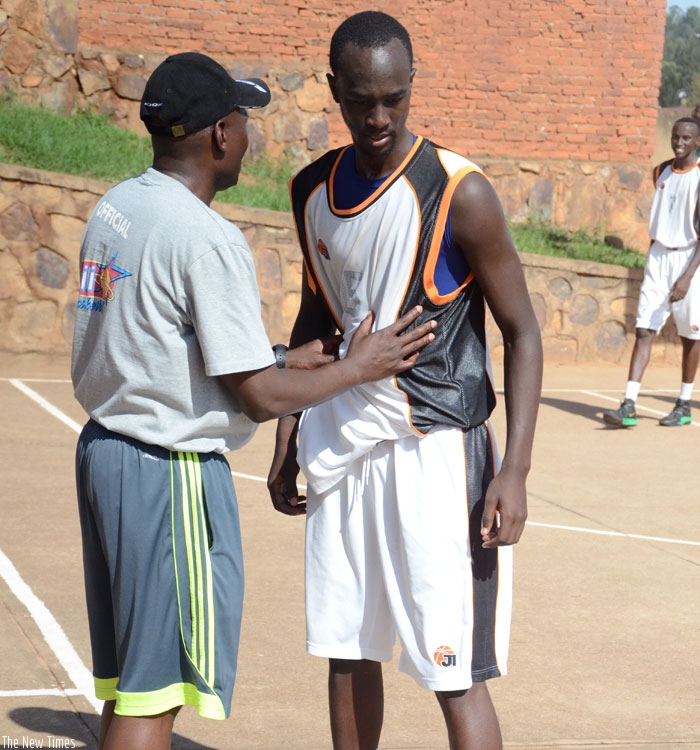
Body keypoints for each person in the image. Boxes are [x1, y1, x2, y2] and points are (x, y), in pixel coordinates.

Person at [70, 50, 437, 750]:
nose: (249, 132)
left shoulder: (120, 205)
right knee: (158, 692)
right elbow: (263, 398)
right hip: (165, 470)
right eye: (243, 118)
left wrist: (276, 356)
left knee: (130, 683)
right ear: (219, 136)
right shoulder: (207, 239)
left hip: (107, 454)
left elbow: (159, 342)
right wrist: (360, 365)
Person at [267, 12, 543, 750]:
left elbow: (523, 331)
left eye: (393, 98)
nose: (378, 116)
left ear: (413, 83)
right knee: (348, 651)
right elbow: (315, 317)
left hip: (434, 453)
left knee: (453, 672)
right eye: (360, 100)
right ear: (335, 91)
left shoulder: (460, 191)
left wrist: (513, 471)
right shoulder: (311, 190)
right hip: (342, 445)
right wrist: (290, 434)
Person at [603, 117, 700, 428]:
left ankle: (684, 403)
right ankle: (628, 403)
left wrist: (686, 277)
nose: (680, 142)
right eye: (675, 137)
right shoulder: (661, 171)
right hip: (658, 255)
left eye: (687, 138)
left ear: (697, 142)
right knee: (645, 328)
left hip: (689, 258)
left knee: (691, 336)